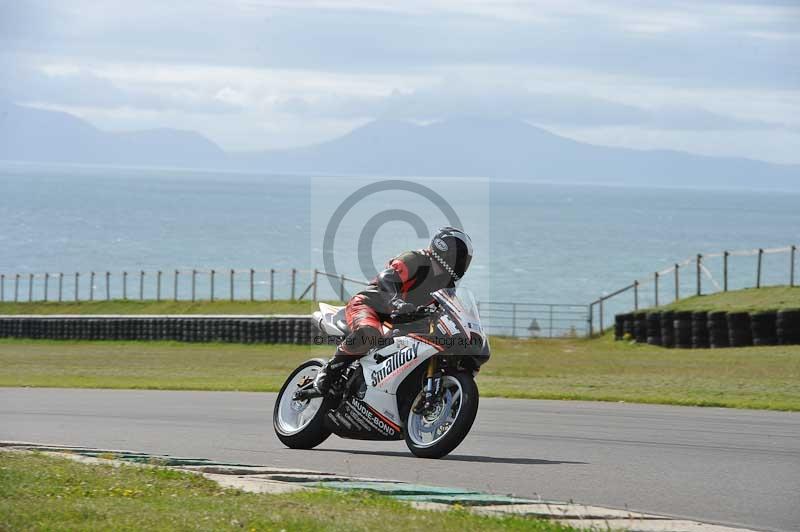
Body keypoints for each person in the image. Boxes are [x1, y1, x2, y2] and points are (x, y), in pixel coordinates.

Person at [314, 226, 473, 394]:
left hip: (401, 320)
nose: (462, 263)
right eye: (461, 257)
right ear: (445, 250)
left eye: (465, 260)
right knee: (369, 332)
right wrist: (396, 301)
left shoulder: (446, 284)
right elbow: (387, 277)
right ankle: (329, 370)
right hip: (371, 305)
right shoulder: (417, 259)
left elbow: (447, 309)